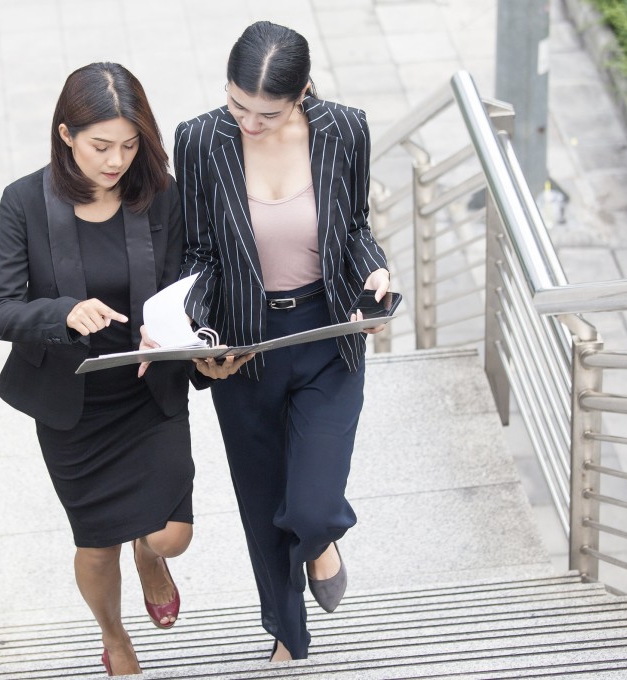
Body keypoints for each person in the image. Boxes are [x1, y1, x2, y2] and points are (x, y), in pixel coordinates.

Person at [173, 21, 390, 661]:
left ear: (301, 95)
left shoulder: (345, 129)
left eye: (266, 113)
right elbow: (198, 253)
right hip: (247, 343)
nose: (248, 122)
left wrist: (375, 271)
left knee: (313, 506)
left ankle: (320, 539)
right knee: (262, 497)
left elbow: (355, 226)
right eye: (237, 104)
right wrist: (198, 335)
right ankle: (286, 635)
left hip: (327, 333)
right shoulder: (199, 140)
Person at [0, 62, 193, 677]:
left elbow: (187, 283)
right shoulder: (25, 201)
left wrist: (175, 332)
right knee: (97, 546)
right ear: (66, 135)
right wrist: (63, 313)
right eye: (101, 146)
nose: (116, 161)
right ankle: (114, 637)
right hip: (73, 409)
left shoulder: (161, 194)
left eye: (129, 145)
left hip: (147, 392)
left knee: (171, 535)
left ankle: (149, 554)